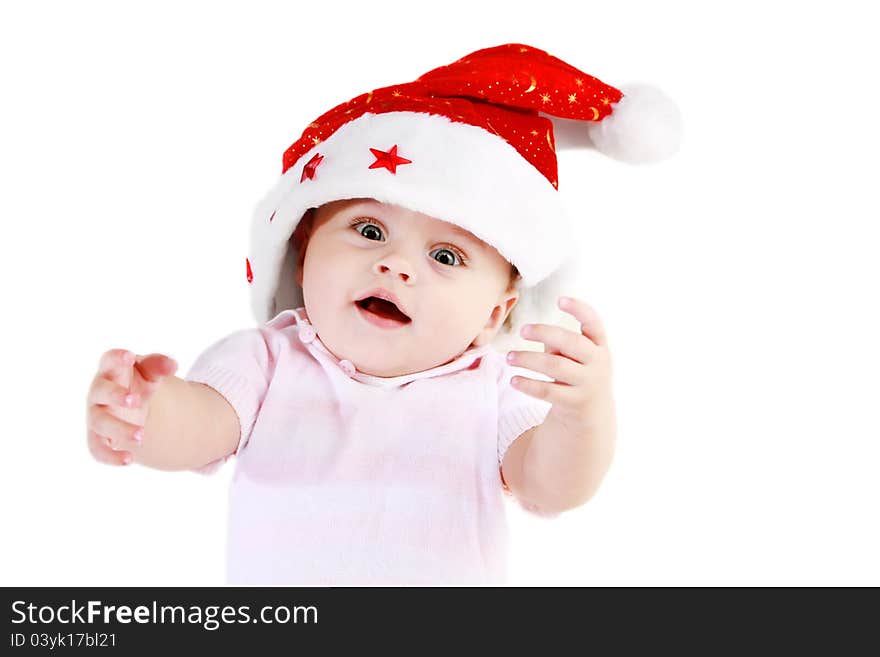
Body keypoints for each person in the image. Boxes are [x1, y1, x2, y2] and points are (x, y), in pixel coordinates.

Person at [85, 43, 680, 585]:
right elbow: (199, 429)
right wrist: (145, 411)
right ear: (302, 254)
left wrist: (583, 415)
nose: (397, 266)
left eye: (446, 255)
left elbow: (553, 483)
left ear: (494, 314)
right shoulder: (268, 359)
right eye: (368, 229)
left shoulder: (491, 390)